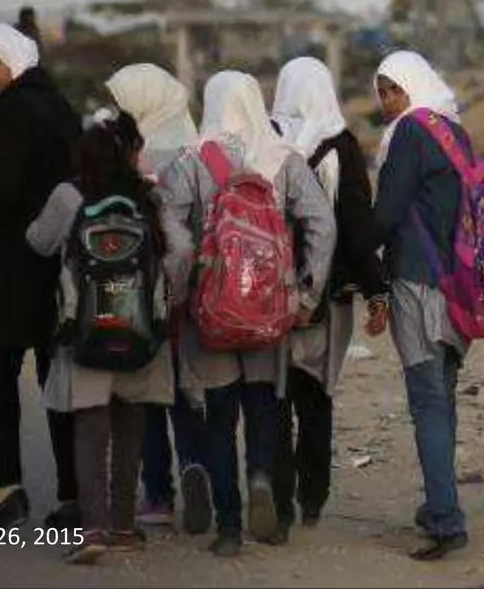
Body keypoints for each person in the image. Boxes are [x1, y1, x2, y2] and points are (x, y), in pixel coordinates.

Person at [156, 71, 335, 557]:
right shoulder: (282, 158)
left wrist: (180, 294)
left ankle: (230, 526)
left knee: (218, 418)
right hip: (268, 310)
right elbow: (322, 222)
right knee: (265, 408)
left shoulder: (192, 160)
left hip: (209, 315)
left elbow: (174, 238)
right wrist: (306, 294)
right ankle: (260, 475)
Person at [26, 109, 182, 564]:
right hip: (139, 333)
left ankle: (91, 529)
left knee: (90, 429)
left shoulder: (68, 195)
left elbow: (38, 241)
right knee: (130, 428)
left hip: (86, 333)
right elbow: (179, 256)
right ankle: (122, 525)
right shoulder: (148, 197)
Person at [268, 56, 390, 542]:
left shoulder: (268, 140)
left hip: (270, 294)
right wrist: (376, 290)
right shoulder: (341, 146)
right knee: (316, 398)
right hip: (327, 297)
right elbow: (358, 228)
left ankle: (277, 503)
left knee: (274, 400)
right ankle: (312, 497)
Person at [0, 23, 83, 532]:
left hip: (19, 256)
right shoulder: (59, 105)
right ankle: (72, 493)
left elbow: (8, 186)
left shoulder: (13, 108)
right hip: (62, 255)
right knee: (54, 374)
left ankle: (8, 489)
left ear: (14, 60)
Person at [370, 50, 473, 562]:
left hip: (417, 282)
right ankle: (439, 505)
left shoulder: (410, 133)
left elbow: (386, 213)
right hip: (460, 287)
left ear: (413, 86)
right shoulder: (455, 131)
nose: (388, 102)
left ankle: (447, 521)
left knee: (427, 400)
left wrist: (356, 256)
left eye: (394, 90)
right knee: (443, 398)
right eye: (382, 92)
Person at [105, 64, 209, 534]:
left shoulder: (138, 153)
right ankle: (194, 466)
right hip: (186, 293)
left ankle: (159, 493)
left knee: (147, 398)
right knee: (185, 392)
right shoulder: (193, 146)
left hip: (145, 292)